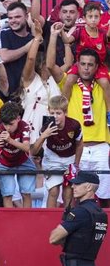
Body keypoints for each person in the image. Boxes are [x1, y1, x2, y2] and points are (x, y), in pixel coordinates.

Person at [47, 45, 110, 206]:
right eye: (82, 64)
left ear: (97, 67)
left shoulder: (104, 83)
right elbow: (50, 66)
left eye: (90, 64)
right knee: (74, 192)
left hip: (101, 147)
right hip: (77, 149)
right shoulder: (69, 82)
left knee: (105, 194)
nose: (86, 68)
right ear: (77, 65)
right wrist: (54, 37)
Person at [49, 171, 108, 266]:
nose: (72, 187)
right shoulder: (101, 214)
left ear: (88, 187)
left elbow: (53, 238)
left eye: (77, 184)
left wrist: (65, 237)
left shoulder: (80, 212)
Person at [30, 95, 83, 208]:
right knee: (53, 191)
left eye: (58, 113)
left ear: (65, 113)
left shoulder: (74, 125)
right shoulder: (46, 126)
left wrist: (76, 164)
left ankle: (69, 221)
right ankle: (50, 220)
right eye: (52, 113)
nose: (55, 117)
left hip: (70, 158)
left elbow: (79, 145)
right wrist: (44, 136)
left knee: (68, 193)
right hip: (52, 159)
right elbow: (34, 151)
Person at [58, 2, 110, 117]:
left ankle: (108, 113)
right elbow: (66, 41)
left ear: (100, 18)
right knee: (69, 80)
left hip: (98, 65)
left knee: (105, 83)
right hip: (80, 65)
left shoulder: (102, 33)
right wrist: (61, 30)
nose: (93, 20)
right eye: (90, 17)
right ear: (84, 18)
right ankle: (63, 110)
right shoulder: (79, 31)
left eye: (96, 17)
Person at [20, 21, 65, 142]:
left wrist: (53, 35)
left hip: (54, 128)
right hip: (32, 127)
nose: (49, 65)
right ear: (40, 65)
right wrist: (37, 38)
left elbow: (53, 61)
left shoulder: (54, 80)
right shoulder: (30, 80)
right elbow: (30, 59)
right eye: (45, 63)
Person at [0, 102, 35, 208]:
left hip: (23, 161)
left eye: (11, 124)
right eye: (5, 124)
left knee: (26, 193)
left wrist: (10, 140)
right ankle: (9, 222)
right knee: (7, 195)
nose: (7, 128)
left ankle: (27, 222)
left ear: (18, 118)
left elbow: (27, 148)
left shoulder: (24, 126)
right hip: (5, 163)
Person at [0, 2, 33, 100]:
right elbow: (2, 57)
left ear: (26, 17)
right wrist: (25, 49)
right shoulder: (3, 33)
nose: (13, 21)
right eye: (10, 18)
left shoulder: (32, 38)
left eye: (17, 17)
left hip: (29, 93)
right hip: (7, 93)